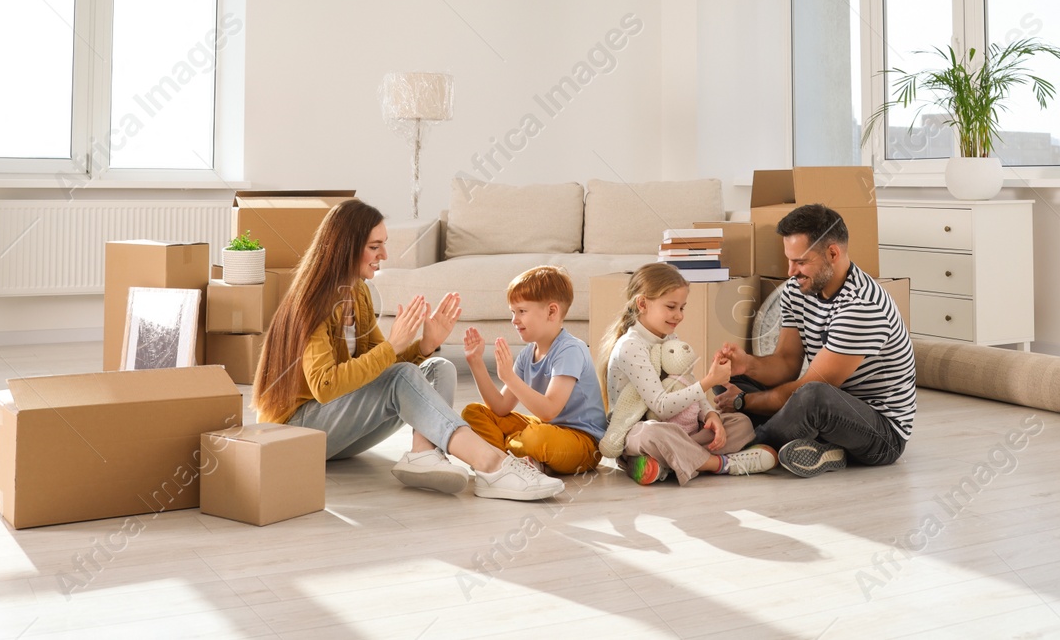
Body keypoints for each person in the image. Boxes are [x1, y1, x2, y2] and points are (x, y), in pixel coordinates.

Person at [252, 198, 563, 501]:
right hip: (295, 434)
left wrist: (424, 346)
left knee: (439, 368)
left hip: (336, 433)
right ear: (345, 248)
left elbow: (383, 371)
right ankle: (491, 465)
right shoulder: (311, 304)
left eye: (383, 245)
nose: (384, 254)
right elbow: (325, 386)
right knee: (401, 374)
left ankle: (423, 454)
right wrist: (392, 347)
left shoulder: (357, 293)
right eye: (375, 247)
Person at [714, 203, 915, 477]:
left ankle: (742, 446)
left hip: (880, 434)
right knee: (729, 382)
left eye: (800, 261)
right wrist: (746, 365)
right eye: (789, 259)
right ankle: (819, 447)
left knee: (813, 397)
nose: (790, 271)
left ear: (833, 253)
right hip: (828, 411)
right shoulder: (797, 290)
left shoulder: (862, 307)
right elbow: (786, 363)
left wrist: (743, 403)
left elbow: (812, 388)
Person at [599, 263, 777, 484]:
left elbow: (687, 384)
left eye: (682, 308)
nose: (679, 315)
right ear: (643, 303)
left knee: (740, 423)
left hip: (680, 430)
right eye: (671, 307)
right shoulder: (631, 347)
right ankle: (722, 464)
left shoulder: (670, 339)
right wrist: (709, 382)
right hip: (636, 431)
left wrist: (710, 416)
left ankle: (664, 463)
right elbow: (661, 407)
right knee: (651, 434)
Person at [460, 266, 606, 475]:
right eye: (513, 312)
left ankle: (504, 454)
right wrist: (476, 363)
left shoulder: (570, 350)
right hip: (548, 429)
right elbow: (500, 408)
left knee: (535, 437)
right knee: (474, 413)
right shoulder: (528, 354)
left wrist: (509, 378)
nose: (514, 320)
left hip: (582, 442)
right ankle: (508, 462)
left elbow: (549, 411)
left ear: (551, 311)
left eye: (522, 311)